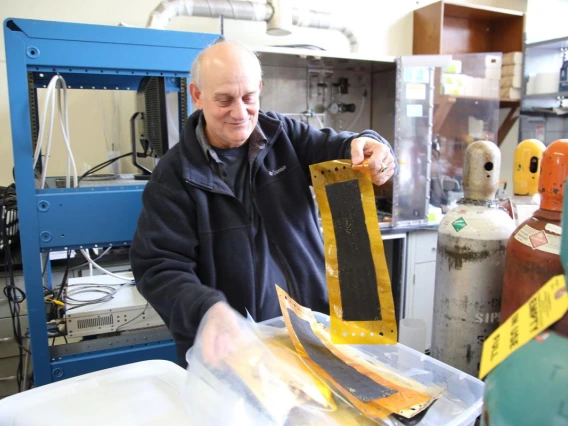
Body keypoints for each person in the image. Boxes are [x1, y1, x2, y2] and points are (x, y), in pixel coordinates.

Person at [130, 40, 397, 366]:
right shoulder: (174, 177)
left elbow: (342, 149)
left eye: (248, 98)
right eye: (224, 100)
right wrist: (206, 309)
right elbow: (158, 267)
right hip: (235, 355)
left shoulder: (286, 136)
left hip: (314, 339)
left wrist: (372, 147)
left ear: (259, 88)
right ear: (197, 96)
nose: (240, 113)